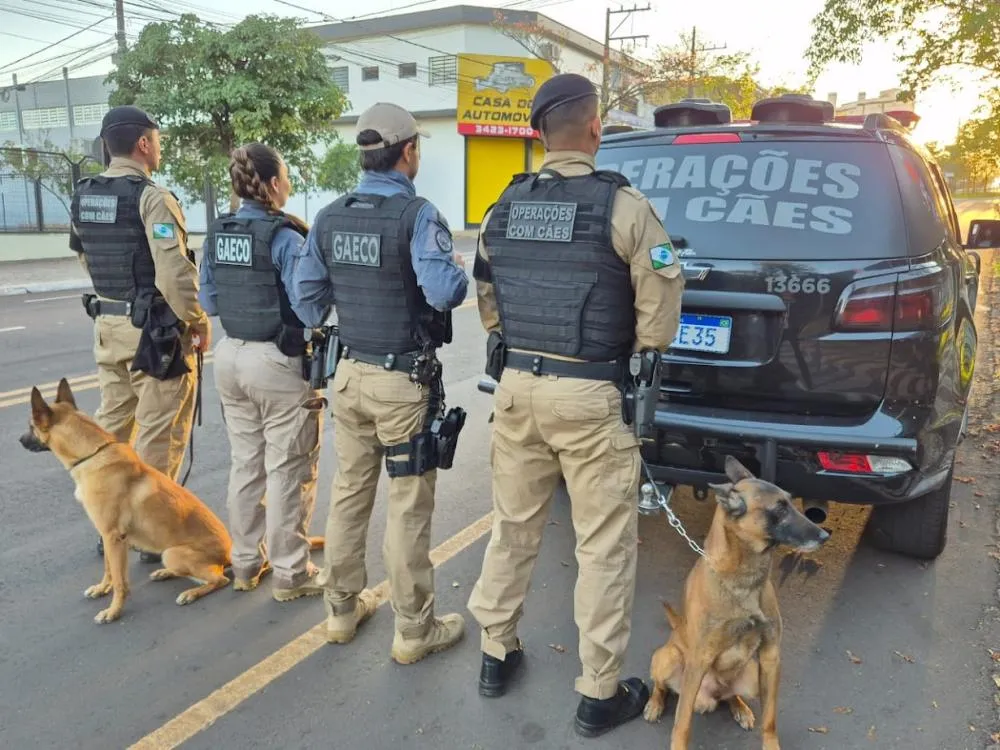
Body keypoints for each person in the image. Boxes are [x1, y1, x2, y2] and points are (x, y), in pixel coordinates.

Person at [465, 73, 685, 737]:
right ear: (595, 129)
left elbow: (488, 300)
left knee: (513, 526)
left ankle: (495, 655)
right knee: (603, 548)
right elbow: (660, 311)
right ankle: (597, 692)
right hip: (590, 394)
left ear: (538, 135)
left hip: (518, 390)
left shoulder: (503, 206)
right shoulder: (623, 207)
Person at [288, 102, 469, 663]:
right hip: (400, 383)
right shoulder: (417, 215)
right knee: (408, 504)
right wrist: (456, 268)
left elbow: (307, 303)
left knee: (348, 494)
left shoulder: (328, 216)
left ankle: (341, 611)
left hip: (348, 377)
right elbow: (443, 293)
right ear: (408, 152)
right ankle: (414, 630)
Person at [69, 105, 211, 564]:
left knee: (109, 431)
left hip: (107, 326)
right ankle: (148, 529)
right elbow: (173, 270)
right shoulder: (151, 198)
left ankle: (106, 521)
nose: (161, 147)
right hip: (151, 333)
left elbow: (86, 257)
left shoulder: (84, 194)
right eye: (159, 138)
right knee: (158, 431)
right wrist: (196, 321)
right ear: (144, 144)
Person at [199, 143, 326, 602]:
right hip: (276, 360)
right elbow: (309, 305)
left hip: (229, 356)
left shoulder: (218, 232)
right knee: (289, 466)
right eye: (287, 177)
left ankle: (246, 563)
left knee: (247, 463)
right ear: (273, 185)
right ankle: (292, 573)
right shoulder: (285, 236)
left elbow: (209, 302)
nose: (289, 184)